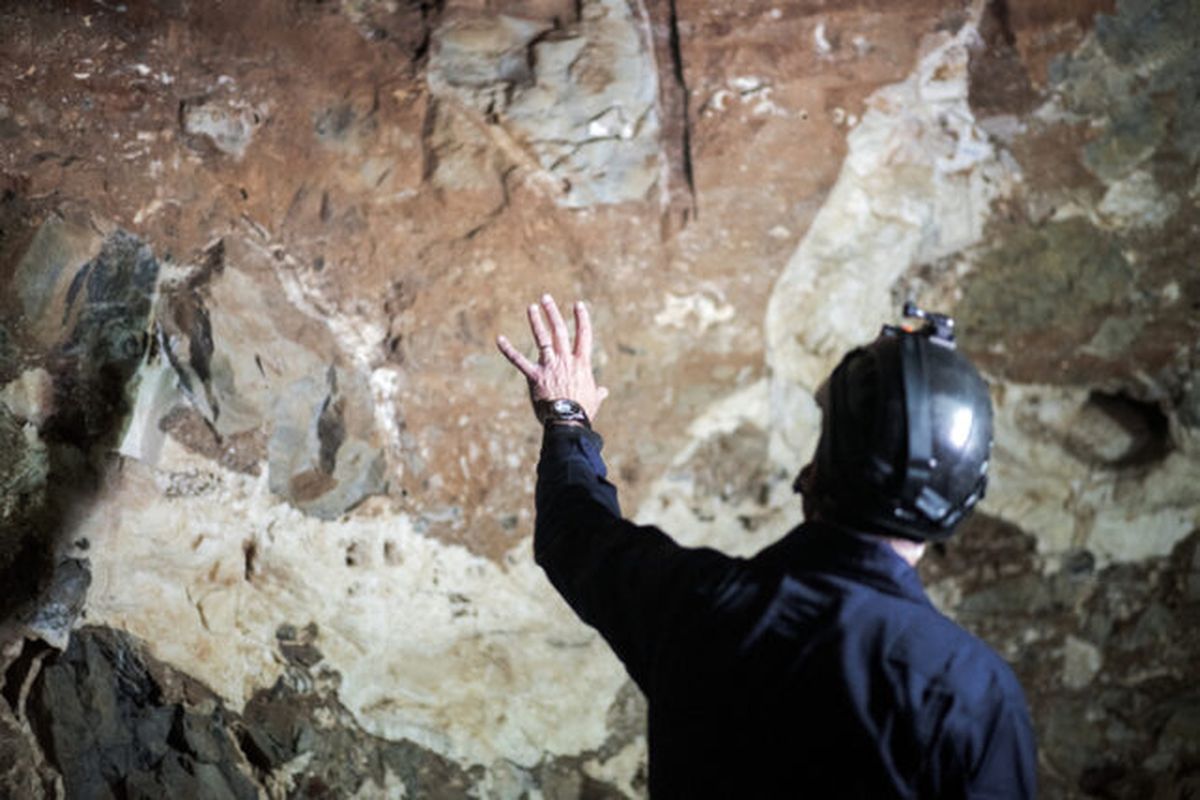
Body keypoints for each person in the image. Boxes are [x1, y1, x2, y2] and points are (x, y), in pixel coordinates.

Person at [497, 294, 1037, 798]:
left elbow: (575, 531)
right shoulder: (973, 694)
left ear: (818, 472)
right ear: (961, 497)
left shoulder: (696, 606)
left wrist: (566, 415)